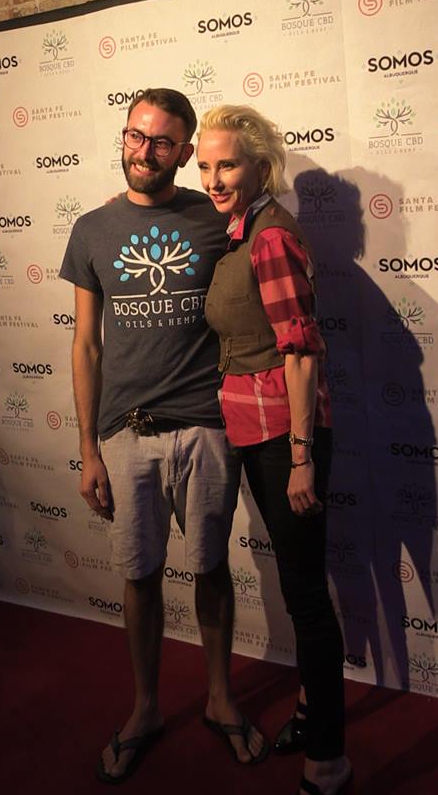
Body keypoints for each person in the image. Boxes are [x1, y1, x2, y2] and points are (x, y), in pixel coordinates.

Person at [60, 88, 268, 784]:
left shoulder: (216, 216)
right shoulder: (91, 229)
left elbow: (264, 251)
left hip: (208, 425)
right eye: (134, 135)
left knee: (211, 568)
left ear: (183, 152)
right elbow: (86, 345)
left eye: (161, 142)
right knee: (139, 574)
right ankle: (146, 708)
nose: (143, 151)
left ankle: (219, 697)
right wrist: (88, 449)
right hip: (127, 433)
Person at [196, 105, 352, 795]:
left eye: (227, 165)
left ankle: (330, 760)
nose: (213, 179)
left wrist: (300, 457)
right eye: (205, 166)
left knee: (306, 597)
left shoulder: (269, 239)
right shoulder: (240, 228)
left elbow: (301, 352)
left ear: (260, 167)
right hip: (255, 431)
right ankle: (313, 710)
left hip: (282, 437)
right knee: (299, 585)